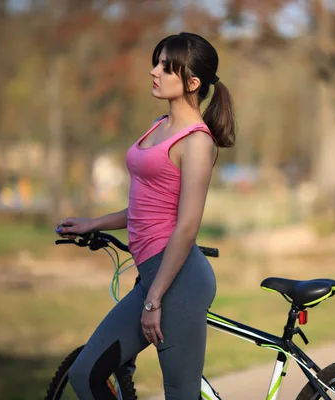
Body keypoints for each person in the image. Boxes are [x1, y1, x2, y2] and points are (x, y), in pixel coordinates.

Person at [55, 32, 236, 399]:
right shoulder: (158, 126)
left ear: (192, 82)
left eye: (166, 67)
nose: (154, 71)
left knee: (180, 394)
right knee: (85, 374)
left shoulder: (197, 143)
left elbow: (185, 228)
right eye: (156, 62)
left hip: (179, 282)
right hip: (153, 278)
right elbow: (145, 209)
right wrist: (93, 223)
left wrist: (154, 299)